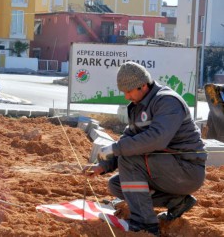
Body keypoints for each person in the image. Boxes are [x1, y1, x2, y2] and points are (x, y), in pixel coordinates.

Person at [84, 62, 207, 236]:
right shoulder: (139, 105)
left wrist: (116, 148)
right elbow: (130, 138)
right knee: (117, 185)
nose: (126, 96)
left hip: (186, 169)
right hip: (165, 168)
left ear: (143, 86)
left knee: (129, 160)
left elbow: (156, 139)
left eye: (129, 91)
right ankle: (176, 201)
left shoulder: (167, 101)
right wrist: (104, 165)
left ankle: (145, 224)